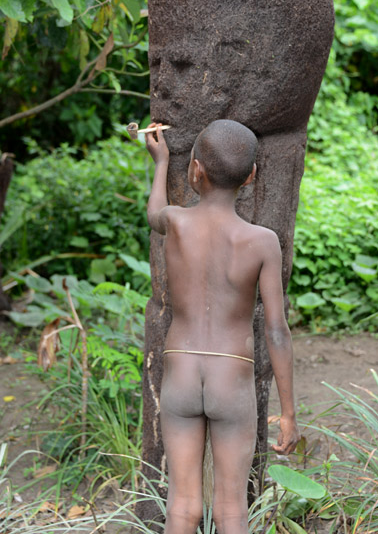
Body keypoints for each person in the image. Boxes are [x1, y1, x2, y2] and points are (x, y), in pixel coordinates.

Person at [145, 119, 300, 534]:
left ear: (195, 170)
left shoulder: (176, 222)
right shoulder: (263, 240)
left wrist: (161, 162)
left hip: (179, 373)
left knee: (182, 507)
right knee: (232, 509)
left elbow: (153, 213)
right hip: (231, 378)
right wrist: (288, 412)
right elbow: (277, 331)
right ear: (251, 176)